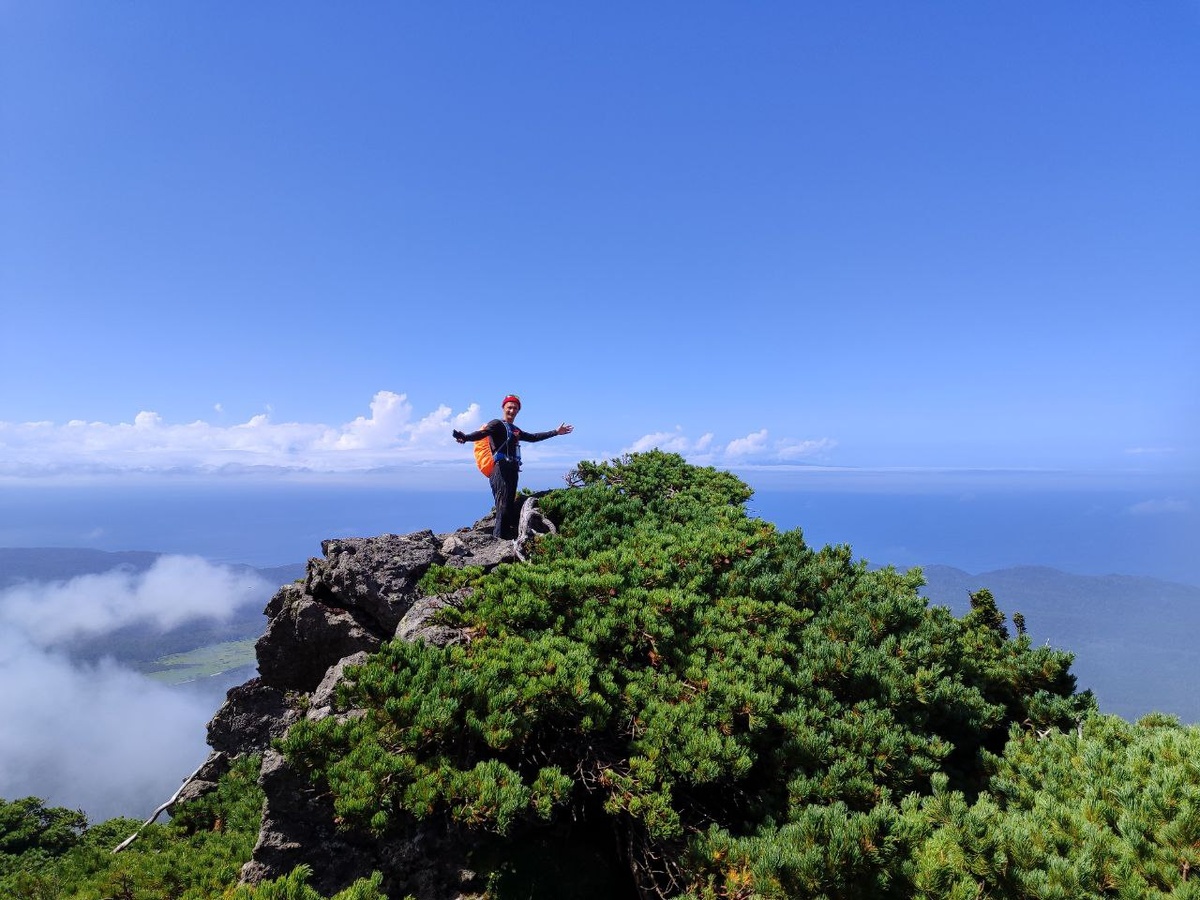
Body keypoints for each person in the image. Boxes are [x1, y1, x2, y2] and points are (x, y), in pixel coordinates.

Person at [452, 394, 574, 539]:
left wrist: (555, 432)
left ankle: (505, 537)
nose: (512, 410)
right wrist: (465, 437)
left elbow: (533, 437)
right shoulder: (496, 424)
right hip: (500, 469)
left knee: (508, 505)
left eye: (515, 408)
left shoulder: (515, 429)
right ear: (503, 407)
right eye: (509, 407)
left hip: (513, 469)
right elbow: (481, 433)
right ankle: (499, 540)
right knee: (502, 505)